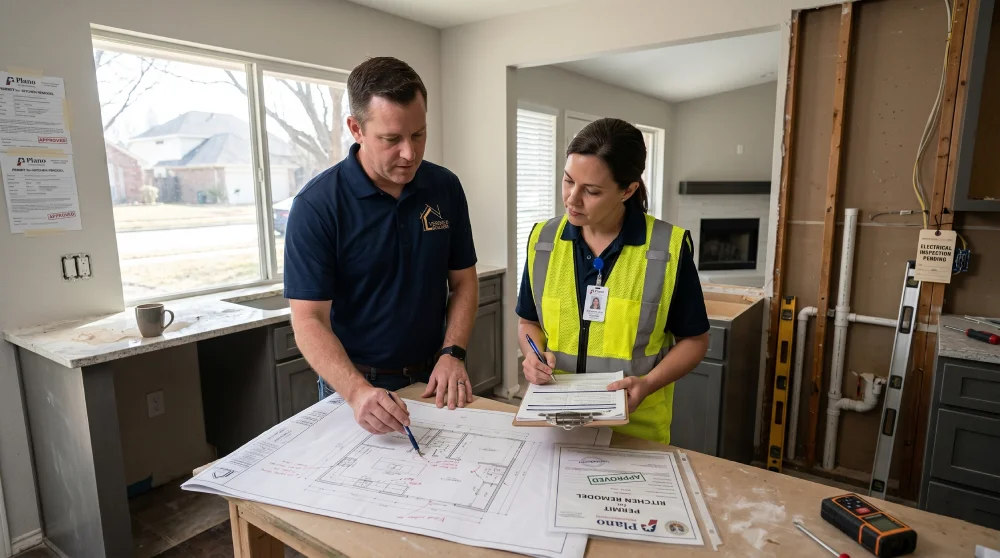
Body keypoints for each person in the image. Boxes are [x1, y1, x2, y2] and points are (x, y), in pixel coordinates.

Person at [283, 56, 479, 436]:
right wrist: (358, 392)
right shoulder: (317, 206)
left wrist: (453, 353)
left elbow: (464, 283)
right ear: (356, 128)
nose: (410, 153)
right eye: (392, 139)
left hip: (432, 376)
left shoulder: (445, 188)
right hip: (353, 386)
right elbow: (308, 319)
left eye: (419, 134)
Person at [516, 117, 710, 445]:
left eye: (591, 191)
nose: (572, 200)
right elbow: (528, 321)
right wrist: (532, 355)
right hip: (559, 425)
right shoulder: (543, 241)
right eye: (568, 181)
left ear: (628, 190)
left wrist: (647, 384)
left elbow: (695, 341)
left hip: (635, 431)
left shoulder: (667, 249)